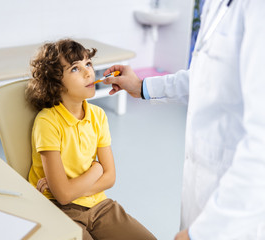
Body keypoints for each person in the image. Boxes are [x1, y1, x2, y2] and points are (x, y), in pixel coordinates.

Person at [102, 1, 265, 239]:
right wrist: (141, 86)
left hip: (234, 213)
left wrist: (201, 233)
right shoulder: (215, 6)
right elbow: (205, 78)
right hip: (201, 188)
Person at [25, 39, 156, 240]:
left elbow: (110, 177)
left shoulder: (98, 116)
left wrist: (73, 188)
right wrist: (96, 169)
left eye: (88, 64)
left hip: (99, 205)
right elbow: (63, 196)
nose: (88, 73)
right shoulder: (47, 122)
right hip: (61, 210)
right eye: (75, 69)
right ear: (55, 82)